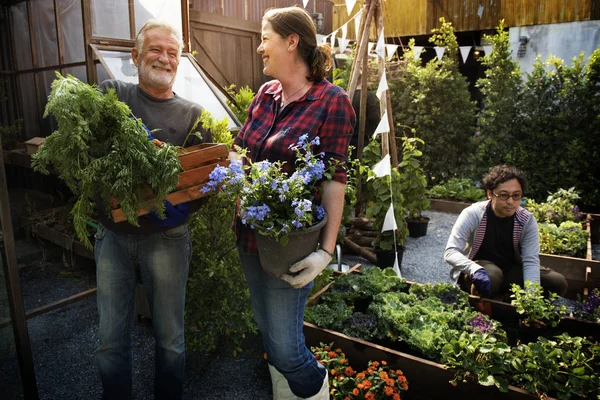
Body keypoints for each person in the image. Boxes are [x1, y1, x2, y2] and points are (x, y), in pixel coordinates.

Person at [228, 6, 355, 399]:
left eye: (265, 38)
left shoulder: (332, 101)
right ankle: (287, 391)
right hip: (251, 236)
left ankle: (317, 387)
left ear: (291, 41)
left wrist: (326, 252)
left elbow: (335, 180)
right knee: (267, 330)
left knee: (284, 345)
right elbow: (241, 150)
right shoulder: (266, 95)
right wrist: (234, 175)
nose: (259, 47)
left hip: (292, 245)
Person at [94, 20, 211, 400]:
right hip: (113, 236)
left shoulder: (193, 115)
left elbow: (202, 186)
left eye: (172, 53)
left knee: (171, 340)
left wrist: (169, 200)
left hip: (167, 237)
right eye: (156, 50)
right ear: (135, 56)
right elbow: (87, 155)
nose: (165, 58)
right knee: (111, 341)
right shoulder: (111, 95)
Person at [444, 165, 568, 300]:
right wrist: (474, 269)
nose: (510, 201)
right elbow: (451, 252)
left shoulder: (526, 220)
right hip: (479, 272)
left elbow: (530, 260)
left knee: (557, 282)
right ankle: (482, 301)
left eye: (516, 195)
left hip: (509, 271)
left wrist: (532, 297)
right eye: (504, 195)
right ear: (490, 194)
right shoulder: (474, 214)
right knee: (492, 274)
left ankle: (503, 299)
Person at [350, 73, 380, 159]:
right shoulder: (368, 95)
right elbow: (374, 117)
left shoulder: (348, 95)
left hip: (348, 138)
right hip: (363, 138)